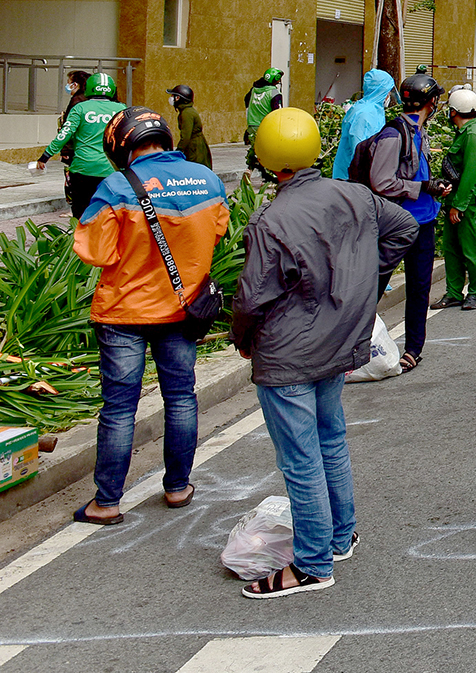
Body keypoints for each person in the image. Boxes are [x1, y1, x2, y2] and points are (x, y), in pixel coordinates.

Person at [232, 107, 418, 598]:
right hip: (338, 342)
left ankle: (312, 564)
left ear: (268, 159)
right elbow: (405, 228)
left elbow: (253, 298)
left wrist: (241, 339)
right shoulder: (355, 195)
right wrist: (363, 278)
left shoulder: (270, 219)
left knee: (300, 458)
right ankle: (339, 536)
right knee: (330, 440)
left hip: (287, 352)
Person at [70, 106, 230, 527]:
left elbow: (96, 252)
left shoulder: (115, 186)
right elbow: (217, 231)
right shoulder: (207, 180)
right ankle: (178, 487)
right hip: (182, 311)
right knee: (180, 397)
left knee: (120, 409)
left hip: (123, 314)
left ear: (121, 144)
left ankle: (106, 503)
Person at [347, 71, 443, 372]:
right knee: (374, 284)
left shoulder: (417, 131)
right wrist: (421, 188)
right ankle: (352, 347)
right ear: (431, 102)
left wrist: (434, 187)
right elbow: (382, 181)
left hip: (424, 221)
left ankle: (413, 349)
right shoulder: (393, 134)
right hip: (397, 225)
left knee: (419, 287)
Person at [31, 72, 127, 219]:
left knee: (81, 216)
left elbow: (64, 135)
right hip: (111, 170)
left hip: (83, 169)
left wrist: (44, 157)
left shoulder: (80, 108)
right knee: (109, 216)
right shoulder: (121, 109)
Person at [431, 87, 476, 312]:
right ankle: (454, 292)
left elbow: (470, 173)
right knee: (453, 250)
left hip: (469, 203)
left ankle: (475, 293)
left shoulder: (474, 135)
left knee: (470, 250)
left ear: (454, 111)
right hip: (456, 201)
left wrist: (459, 205)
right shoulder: (466, 132)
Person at [331, 70, 395, 182]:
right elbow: (360, 153)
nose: (389, 96)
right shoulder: (365, 115)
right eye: (388, 92)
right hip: (352, 181)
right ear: (381, 91)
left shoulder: (371, 109)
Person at [167, 84, 214, 168]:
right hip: (195, 146)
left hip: (194, 149)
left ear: (178, 98)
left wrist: (179, 150)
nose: (171, 98)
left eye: (173, 96)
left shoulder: (186, 113)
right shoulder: (187, 111)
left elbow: (186, 136)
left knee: (195, 169)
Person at [244, 68, 285, 145]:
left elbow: (246, 101)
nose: (279, 81)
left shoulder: (253, 90)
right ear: (275, 79)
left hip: (251, 127)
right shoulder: (274, 93)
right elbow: (278, 112)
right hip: (266, 128)